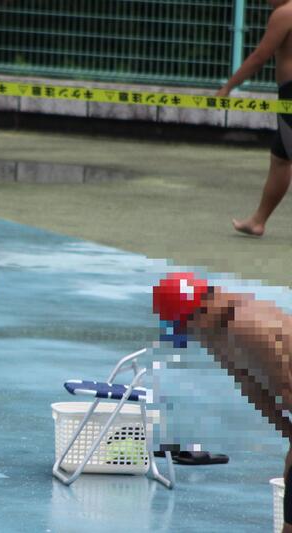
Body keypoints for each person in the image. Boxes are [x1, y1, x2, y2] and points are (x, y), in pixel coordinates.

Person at [153, 272, 292, 531]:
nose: (192, 336)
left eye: (188, 328)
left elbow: (287, 388)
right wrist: (288, 433)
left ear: (201, 312)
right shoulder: (216, 330)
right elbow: (251, 386)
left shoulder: (247, 326)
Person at [218, 0, 292, 236]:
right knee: (281, 158)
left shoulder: (285, 13)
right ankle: (258, 220)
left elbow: (259, 57)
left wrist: (228, 87)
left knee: (283, 158)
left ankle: (258, 220)